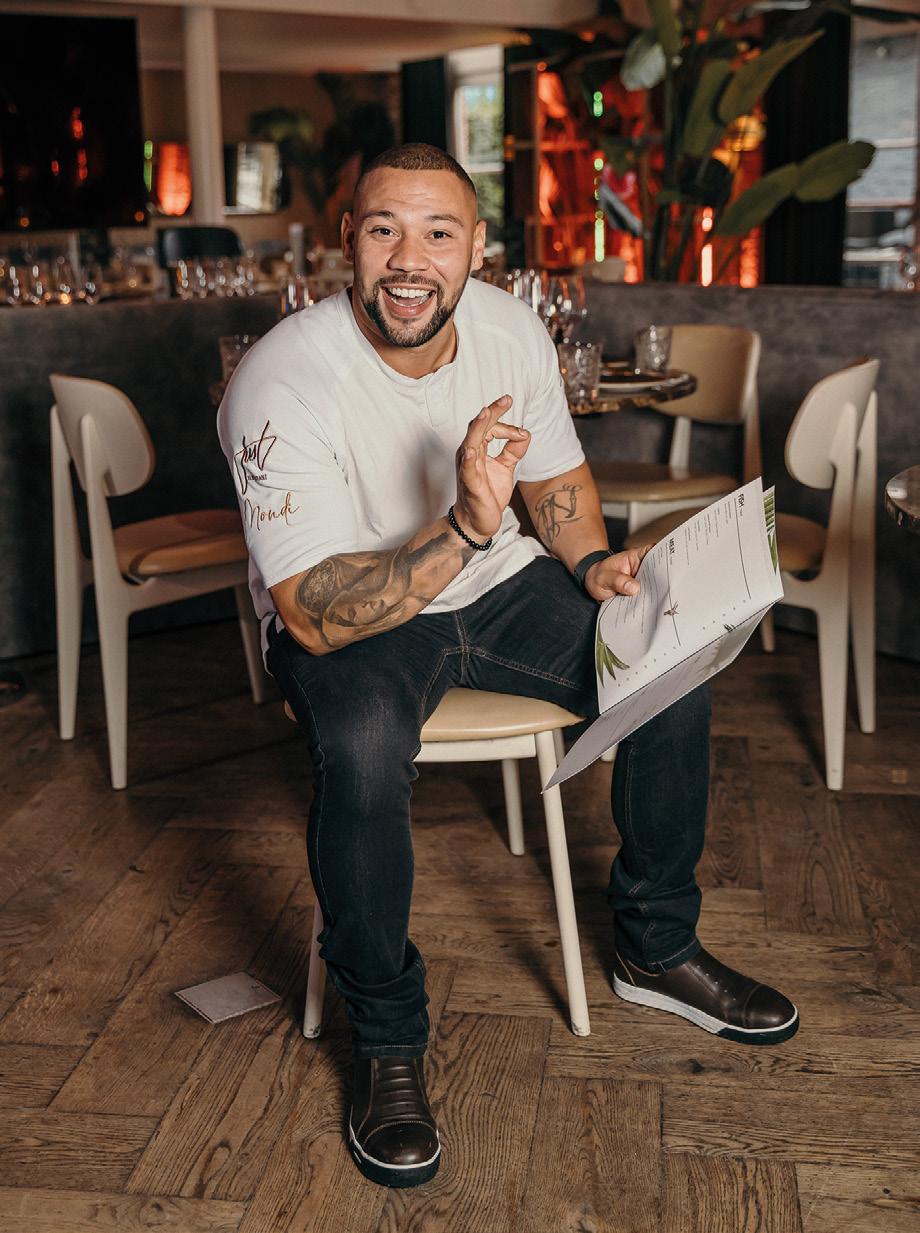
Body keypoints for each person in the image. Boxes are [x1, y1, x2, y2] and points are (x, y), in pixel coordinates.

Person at [218, 143, 798, 1190]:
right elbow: (311, 616)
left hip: (497, 583)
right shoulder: (279, 377)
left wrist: (592, 561)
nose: (410, 259)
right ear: (346, 241)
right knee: (362, 746)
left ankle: (655, 947)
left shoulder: (508, 327)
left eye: (438, 232)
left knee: (668, 657)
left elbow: (557, 481)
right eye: (384, 229)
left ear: (477, 246)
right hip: (361, 615)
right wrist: (464, 526)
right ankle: (387, 1036)